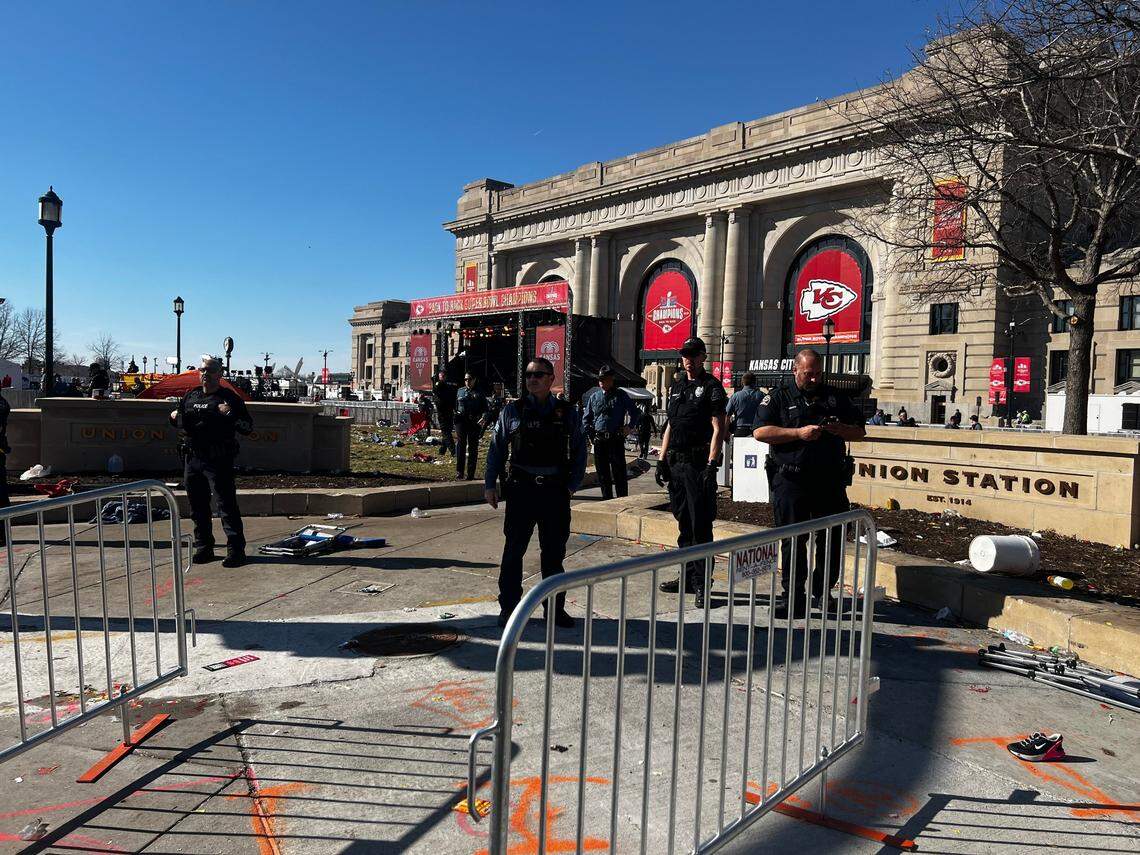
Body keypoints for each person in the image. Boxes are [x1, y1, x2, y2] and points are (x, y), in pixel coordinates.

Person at [753, 349, 865, 619]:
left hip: (828, 482)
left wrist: (842, 430)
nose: (813, 379)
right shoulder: (779, 396)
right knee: (793, 541)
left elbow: (860, 431)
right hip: (791, 480)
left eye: (817, 374)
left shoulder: (835, 397)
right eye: (808, 374)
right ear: (796, 370)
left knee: (831, 541)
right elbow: (759, 431)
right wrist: (798, 433)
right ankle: (793, 597)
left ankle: (823, 593)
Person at [485, 358, 587, 628]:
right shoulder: (513, 411)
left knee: (554, 554)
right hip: (521, 490)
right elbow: (496, 449)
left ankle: (555, 609)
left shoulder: (567, 413)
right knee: (513, 552)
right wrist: (489, 484)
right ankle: (509, 608)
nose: (532, 379)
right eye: (529, 375)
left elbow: (579, 451)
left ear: (551, 379)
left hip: (554, 491)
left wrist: (571, 485)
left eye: (539, 375)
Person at [655, 337, 727, 607]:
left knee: (700, 526)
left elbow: (718, 428)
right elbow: (671, 426)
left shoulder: (711, 387)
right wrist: (662, 459)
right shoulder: (677, 386)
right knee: (684, 523)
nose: (689, 359)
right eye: (685, 354)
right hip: (677, 465)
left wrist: (712, 463)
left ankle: (701, 584)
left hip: (698, 466)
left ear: (703, 357)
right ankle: (686, 577)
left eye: (694, 355)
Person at [169, 357, 253, 567]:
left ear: (219, 374)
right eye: (202, 370)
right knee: (197, 505)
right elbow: (181, 421)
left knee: (225, 504)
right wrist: (173, 417)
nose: (205, 373)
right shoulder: (191, 395)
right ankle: (204, 546)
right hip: (193, 457)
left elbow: (247, 427)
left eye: (210, 370)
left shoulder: (229, 398)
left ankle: (236, 550)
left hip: (218, 458)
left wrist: (230, 414)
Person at [581, 365, 641, 499]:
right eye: (600, 379)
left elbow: (635, 412)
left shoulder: (620, 395)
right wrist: (591, 436)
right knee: (603, 474)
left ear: (611, 380)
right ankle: (606, 501)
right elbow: (586, 419)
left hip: (615, 439)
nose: (601, 382)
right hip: (600, 440)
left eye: (605, 379)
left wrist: (629, 426)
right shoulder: (594, 397)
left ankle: (621, 501)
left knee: (619, 473)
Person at [454, 372, 488, 480]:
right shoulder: (460, 391)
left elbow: (486, 408)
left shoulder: (480, 392)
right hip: (461, 421)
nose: (467, 382)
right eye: (465, 379)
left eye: (469, 379)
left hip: (474, 422)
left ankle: (470, 473)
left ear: (474, 380)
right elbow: (456, 406)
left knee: (473, 447)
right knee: (461, 445)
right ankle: (459, 471)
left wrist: (483, 417)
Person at [726, 372, 764, 437]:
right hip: (757, 430)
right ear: (755, 382)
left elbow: (727, 416)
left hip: (740, 429)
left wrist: (725, 431)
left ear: (742, 382)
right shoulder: (762, 395)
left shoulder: (735, 396)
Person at [432, 369, 458, 457]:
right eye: (441, 377)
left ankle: (453, 451)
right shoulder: (446, 386)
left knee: (446, 432)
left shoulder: (443, 385)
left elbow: (435, 389)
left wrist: (435, 380)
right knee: (446, 432)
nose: (442, 378)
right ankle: (442, 450)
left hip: (445, 412)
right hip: (446, 411)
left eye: (442, 377)